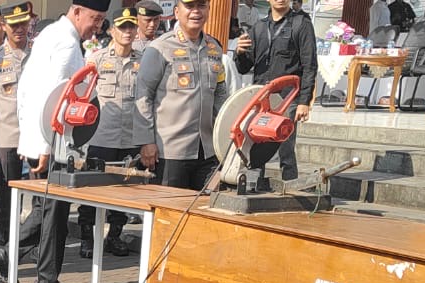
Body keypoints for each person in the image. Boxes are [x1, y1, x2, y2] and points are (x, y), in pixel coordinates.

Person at [0, 0, 108, 283]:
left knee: (45, 208)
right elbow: (51, 99)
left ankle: (10, 256)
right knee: (54, 212)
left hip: (44, 139)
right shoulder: (65, 44)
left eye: (103, 20)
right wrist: (43, 146)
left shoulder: (51, 36)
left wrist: (32, 140)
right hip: (53, 142)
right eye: (95, 18)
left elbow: (27, 92)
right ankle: (45, 280)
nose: (99, 25)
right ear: (77, 12)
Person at [78, 7, 147, 258]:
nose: (127, 32)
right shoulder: (96, 59)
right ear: (111, 30)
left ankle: (114, 236)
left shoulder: (144, 60)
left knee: (125, 189)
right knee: (92, 188)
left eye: (131, 27)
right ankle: (88, 238)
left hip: (130, 136)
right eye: (122, 27)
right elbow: (83, 96)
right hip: (102, 136)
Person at [138, 0, 229, 189]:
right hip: (170, 152)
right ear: (177, 12)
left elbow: (220, 96)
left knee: (206, 209)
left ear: (208, 10)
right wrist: (146, 141)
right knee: (168, 213)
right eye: (190, 6)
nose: (196, 12)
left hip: (207, 151)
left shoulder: (215, 49)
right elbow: (143, 96)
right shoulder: (159, 48)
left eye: (201, 6)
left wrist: (226, 136)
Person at [233, 0, 315, 181]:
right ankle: (256, 183)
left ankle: (290, 183)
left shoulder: (301, 24)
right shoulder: (259, 27)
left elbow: (310, 66)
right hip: (262, 96)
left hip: (288, 95)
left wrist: (304, 101)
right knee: (257, 140)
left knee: (285, 142)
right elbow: (244, 67)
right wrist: (239, 53)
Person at [0, 0, 30, 245]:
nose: (19, 28)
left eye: (23, 23)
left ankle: (30, 236)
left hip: (35, 136)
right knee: (7, 190)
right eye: (14, 24)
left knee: (38, 189)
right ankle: (4, 232)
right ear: (5, 26)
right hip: (7, 135)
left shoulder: (40, 55)